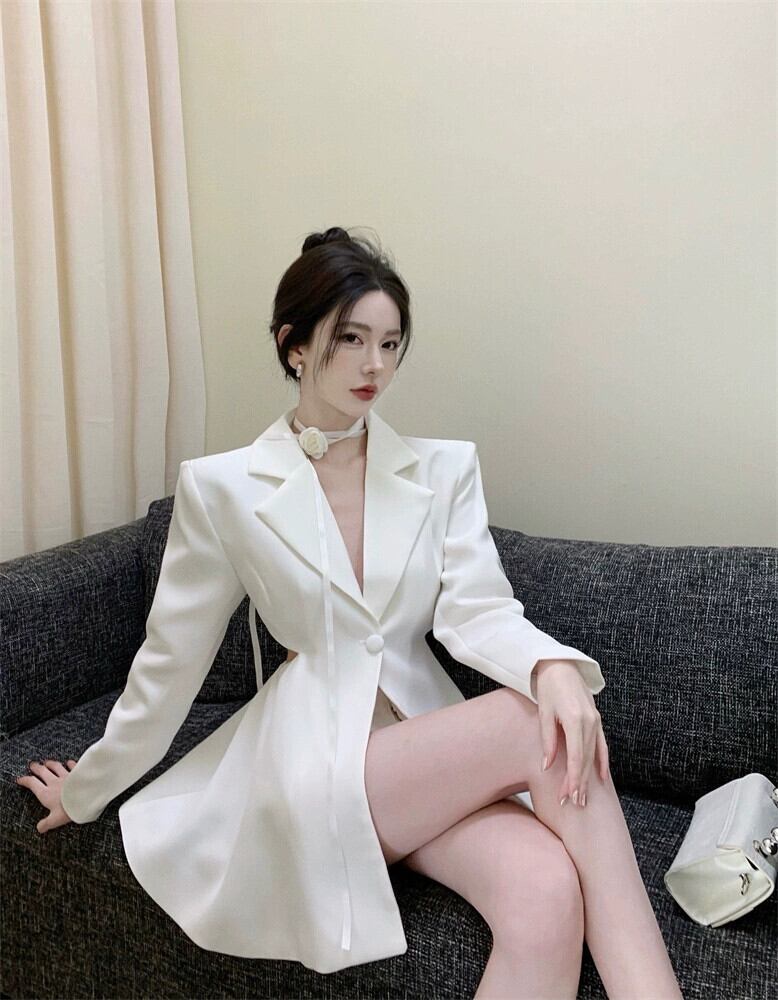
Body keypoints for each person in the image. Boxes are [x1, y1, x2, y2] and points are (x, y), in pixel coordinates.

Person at [16, 227, 683, 998]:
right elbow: (168, 669)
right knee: (529, 722)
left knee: (546, 892)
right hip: (314, 765)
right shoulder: (221, 488)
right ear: (294, 345)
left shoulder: (442, 470)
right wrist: (87, 790)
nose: (375, 366)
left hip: (419, 760)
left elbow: (478, 610)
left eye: (390, 344)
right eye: (351, 340)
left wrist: (550, 665)